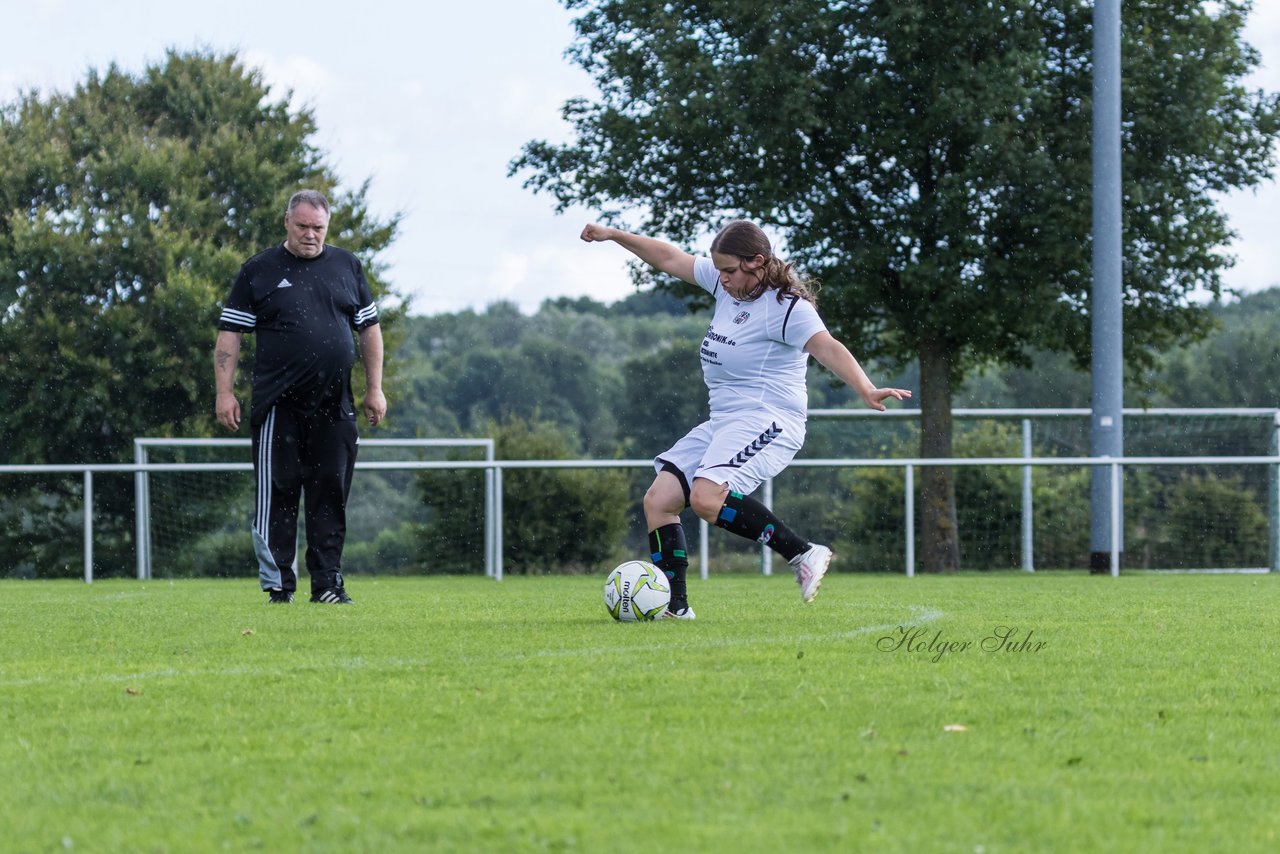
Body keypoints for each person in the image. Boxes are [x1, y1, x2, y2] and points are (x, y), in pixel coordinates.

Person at [581, 220, 910, 618]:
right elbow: (669, 258)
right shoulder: (726, 284)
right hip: (725, 421)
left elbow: (827, 347)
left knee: (706, 497)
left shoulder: (787, 308)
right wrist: (616, 236)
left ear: (757, 262)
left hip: (770, 420)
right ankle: (676, 607)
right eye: (718, 270)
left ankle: (802, 553)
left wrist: (865, 387)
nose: (721, 278)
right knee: (659, 500)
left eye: (730, 270)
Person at [214, 189, 387, 605]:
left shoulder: (348, 265)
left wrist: (375, 388)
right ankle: (279, 586)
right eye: (303, 226)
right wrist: (224, 392)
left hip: (336, 404)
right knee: (279, 494)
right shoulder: (259, 270)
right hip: (279, 405)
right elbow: (230, 333)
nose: (311, 235)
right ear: (287, 222)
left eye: (319, 228)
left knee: (330, 493)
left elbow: (369, 329)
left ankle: (328, 583)